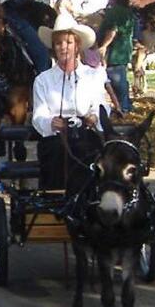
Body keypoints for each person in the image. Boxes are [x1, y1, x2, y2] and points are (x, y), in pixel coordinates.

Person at [33, 14, 107, 192]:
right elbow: (39, 115)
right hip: (56, 141)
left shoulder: (93, 76)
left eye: (68, 43)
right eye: (58, 43)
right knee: (57, 152)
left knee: (93, 154)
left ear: (77, 46)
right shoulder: (43, 80)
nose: (63, 47)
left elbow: (101, 105)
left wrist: (94, 117)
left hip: (86, 135)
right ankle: (55, 197)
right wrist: (50, 122)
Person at [98, 0, 135, 113]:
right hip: (125, 50)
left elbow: (112, 31)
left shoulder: (114, 12)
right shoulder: (128, 11)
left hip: (115, 52)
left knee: (117, 80)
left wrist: (103, 46)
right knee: (121, 78)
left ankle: (124, 108)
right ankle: (126, 105)